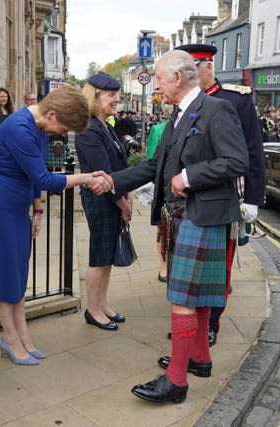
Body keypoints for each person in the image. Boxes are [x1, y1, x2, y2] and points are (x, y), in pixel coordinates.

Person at [94, 50, 248, 403]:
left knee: (182, 297)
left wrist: (190, 176)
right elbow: (153, 165)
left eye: (160, 81)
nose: (158, 87)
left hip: (204, 213)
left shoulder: (216, 110)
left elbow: (238, 160)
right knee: (199, 294)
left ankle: (176, 380)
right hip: (185, 214)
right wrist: (111, 180)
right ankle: (199, 358)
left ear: (178, 78)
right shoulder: (179, 115)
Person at [0, 85, 104, 365]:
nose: (61, 134)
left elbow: (32, 175)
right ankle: (11, 338)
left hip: (14, 205)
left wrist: (37, 209)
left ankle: (23, 335)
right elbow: (45, 178)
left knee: (17, 270)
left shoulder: (38, 125)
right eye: (63, 128)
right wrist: (86, 177)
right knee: (4, 272)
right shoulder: (19, 127)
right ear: (51, 113)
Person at [175, 44, 266, 348]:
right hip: (187, 197)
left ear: (207, 66)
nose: (185, 74)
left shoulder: (234, 101)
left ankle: (211, 323)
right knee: (187, 267)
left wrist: (253, 197)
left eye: (190, 67)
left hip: (224, 195)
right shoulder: (183, 101)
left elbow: (253, 150)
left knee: (217, 268)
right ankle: (191, 323)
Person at [74, 72, 131, 331]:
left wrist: (126, 195)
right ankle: (93, 310)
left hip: (113, 197)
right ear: (94, 98)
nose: (116, 99)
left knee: (107, 255)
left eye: (116, 95)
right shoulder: (88, 129)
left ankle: (103, 304)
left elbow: (118, 166)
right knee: (99, 256)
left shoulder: (104, 125)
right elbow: (103, 174)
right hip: (100, 199)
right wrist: (124, 205)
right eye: (111, 95)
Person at [145, 119, 169, 282]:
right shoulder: (158, 129)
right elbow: (151, 160)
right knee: (163, 229)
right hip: (163, 187)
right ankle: (164, 267)